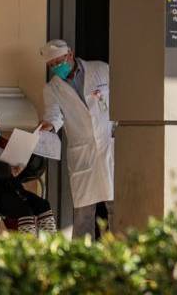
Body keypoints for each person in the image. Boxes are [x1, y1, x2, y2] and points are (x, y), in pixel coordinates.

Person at [38, 39, 114, 239]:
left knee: (116, 206)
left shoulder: (101, 69)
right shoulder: (52, 89)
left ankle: (120, 252)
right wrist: (47, 126)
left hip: (109, 145)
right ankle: (81, 260)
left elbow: (123, 98)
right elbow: (54, 116)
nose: (56, 67)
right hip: (83, 152)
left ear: (70, 55)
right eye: (52, 65)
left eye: (59, 61)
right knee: (83, 213)